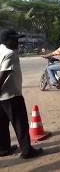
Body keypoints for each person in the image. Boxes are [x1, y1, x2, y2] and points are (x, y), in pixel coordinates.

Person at [0, 29, 43, 159]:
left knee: (1, 124)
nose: (18, 42)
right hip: (12, 95)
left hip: (1, 97)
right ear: (6, 41)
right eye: (15, 39)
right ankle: (27, 151)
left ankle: (3, 149)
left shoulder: (1, 49)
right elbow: (3, 75)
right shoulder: (10, 53)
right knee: (21, 124)